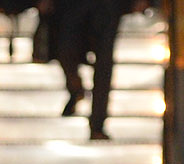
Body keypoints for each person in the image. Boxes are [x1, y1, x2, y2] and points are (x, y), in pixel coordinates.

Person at [48, 0, 144, 141]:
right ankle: (76, 89)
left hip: (107, 6)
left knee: (103, 64)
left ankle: (97, 124)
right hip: (72, 5)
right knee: (65, 51)